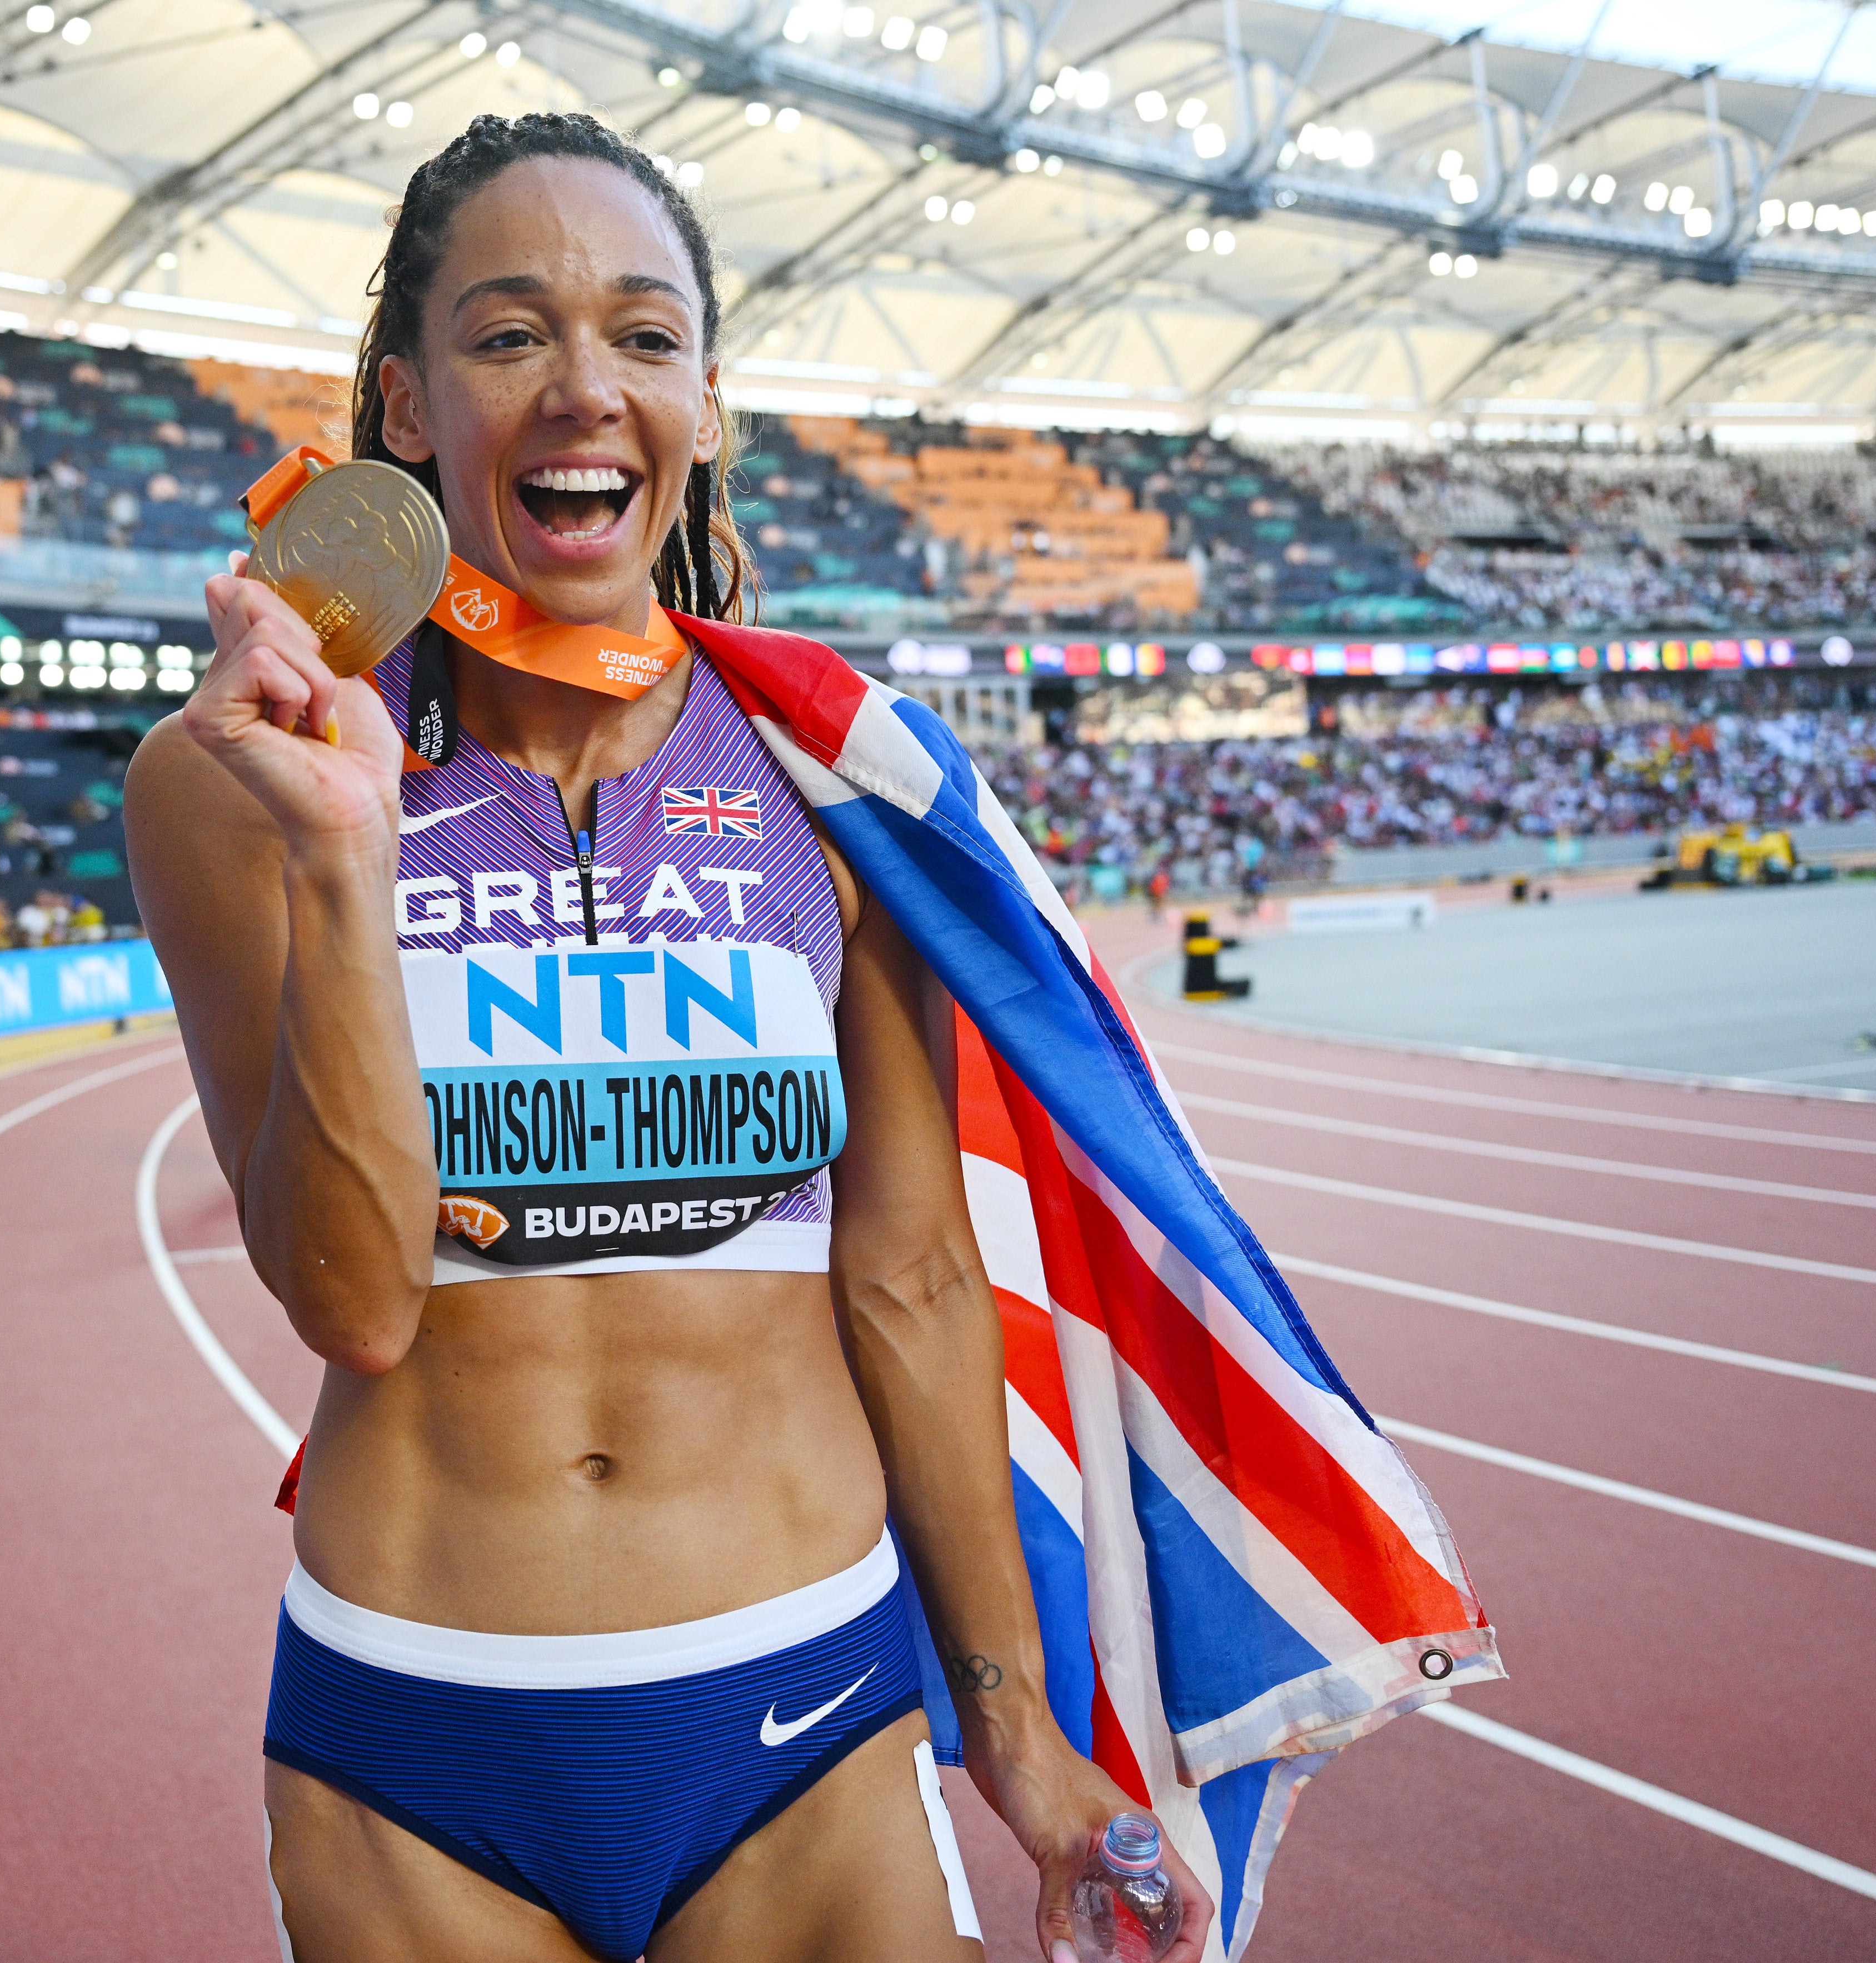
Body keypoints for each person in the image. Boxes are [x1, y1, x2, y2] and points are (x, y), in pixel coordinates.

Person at [129, 113, 1213, 1963]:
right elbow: (354, 1298)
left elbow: (910, 1277)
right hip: (416, 1738)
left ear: (703, 402)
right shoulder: (231, 781)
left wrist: (1019, 1737)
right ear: (404, 405)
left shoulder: (824, 777)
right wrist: (342, 857)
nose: (580, 389)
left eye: (641, 336)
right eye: (504, 336)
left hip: (798, 1710)